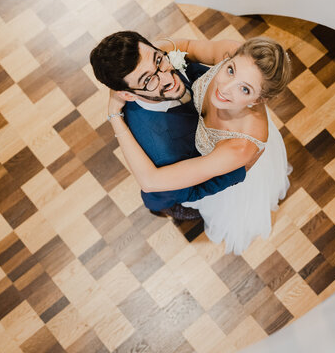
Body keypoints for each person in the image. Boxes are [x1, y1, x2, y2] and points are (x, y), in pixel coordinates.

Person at [107, 37, 293, 255]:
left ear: (259, 100)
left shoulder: (240, 146)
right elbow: (185, 46)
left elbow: (150, 181)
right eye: (230, 71)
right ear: (231, 58)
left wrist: (114, 116)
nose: (224, 88)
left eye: (245, 89)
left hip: (222, 168)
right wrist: (137, 74)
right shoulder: (229, 52)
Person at [90, 31, 248, 221]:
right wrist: (242, 167)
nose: (168, 79)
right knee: (167, 201)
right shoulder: (162, 150)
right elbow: (189, 192)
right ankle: (168, 210)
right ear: (128, 95)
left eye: (158, 61)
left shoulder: (166, 61)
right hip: (172, 190)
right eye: (148, 80)